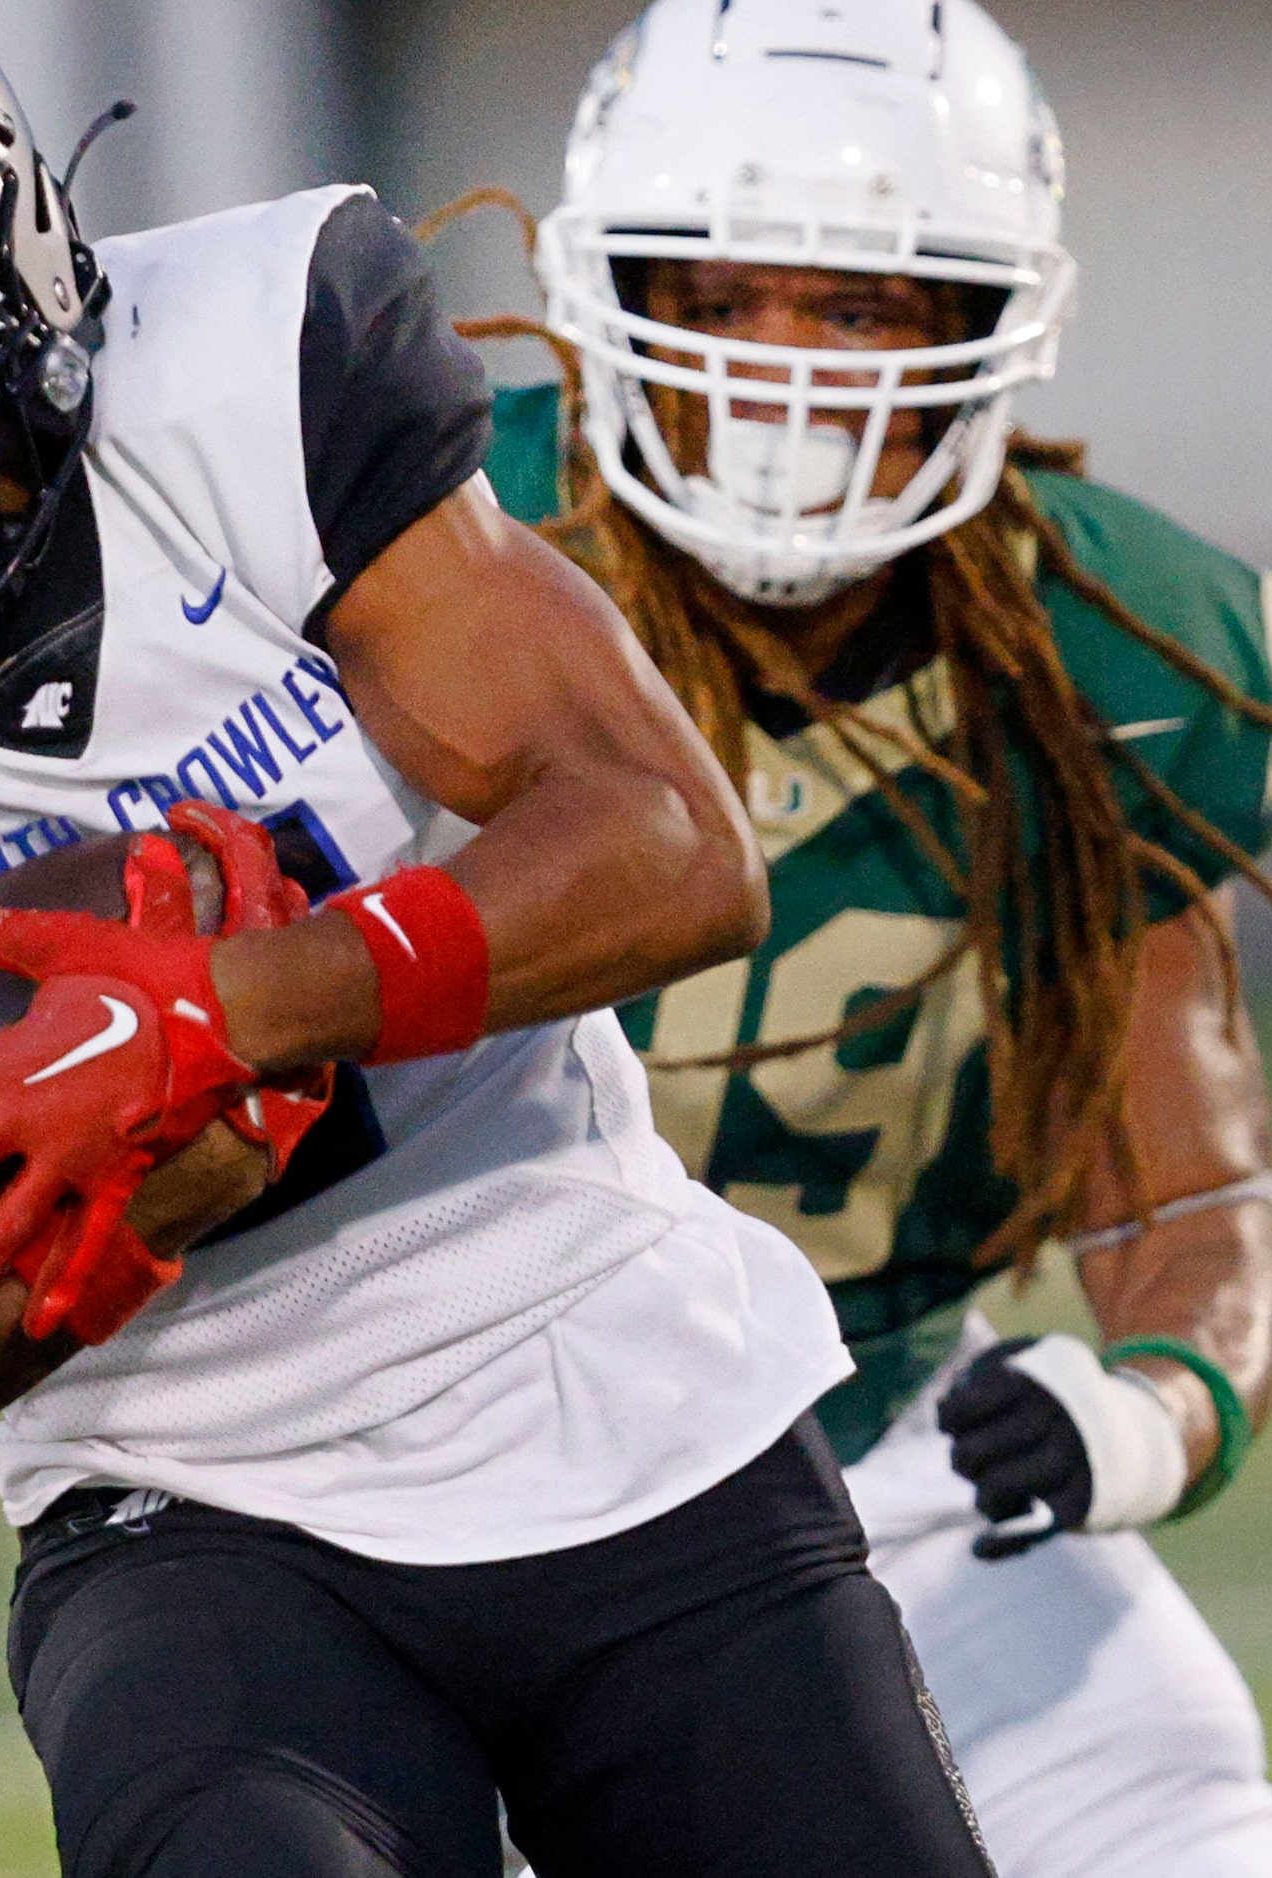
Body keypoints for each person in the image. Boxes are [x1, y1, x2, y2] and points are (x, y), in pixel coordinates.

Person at [0, 2, 992, 1871]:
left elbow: (666, 843)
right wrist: (106, 1209)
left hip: (604, 1359)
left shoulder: (257, 358)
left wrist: (231, 1012)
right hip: (186, 1502)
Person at [473, 2, 1272, 1871]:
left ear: (987, 335)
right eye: (723, 297)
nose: (779, 380)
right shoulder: (421, 553)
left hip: (878, 1448)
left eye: (857, 312)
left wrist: (1153, 1413)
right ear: (603, 294)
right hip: (443, 1496)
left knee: (1185, 1811)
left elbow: (1186, 1188)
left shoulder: (1111, 652)